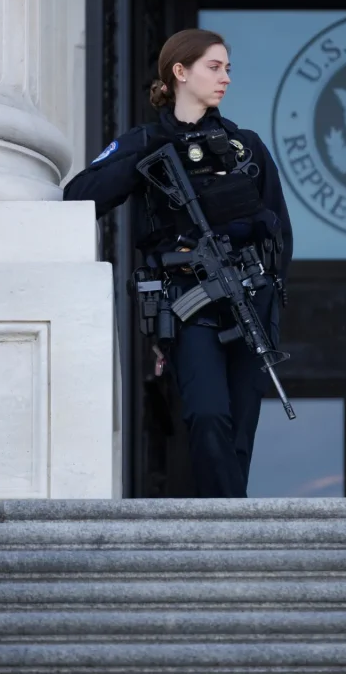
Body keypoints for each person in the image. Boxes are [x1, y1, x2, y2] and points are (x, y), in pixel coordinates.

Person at [63, 28, 293, 498]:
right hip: (190, 304)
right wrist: (145, 156)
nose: (225, 77)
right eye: (214, 67)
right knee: (207, 413)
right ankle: (230, 528)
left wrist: (272, 298)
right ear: (180, 72)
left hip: (251, 296)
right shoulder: (145, 141)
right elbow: (78, 197)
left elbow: (281, 233)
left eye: (228, 68)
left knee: (241, 426)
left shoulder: (246, 147)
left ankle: (230, 525)